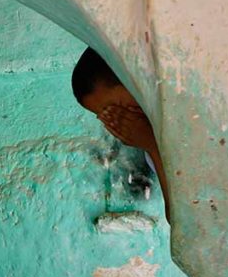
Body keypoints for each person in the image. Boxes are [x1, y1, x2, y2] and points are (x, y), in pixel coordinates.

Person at [71, 47, 171, 221]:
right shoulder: (150, 148)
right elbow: (181, 224)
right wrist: (152, 146)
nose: (116, 121)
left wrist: (152, 144)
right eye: (104, 116)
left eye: (116, 109)